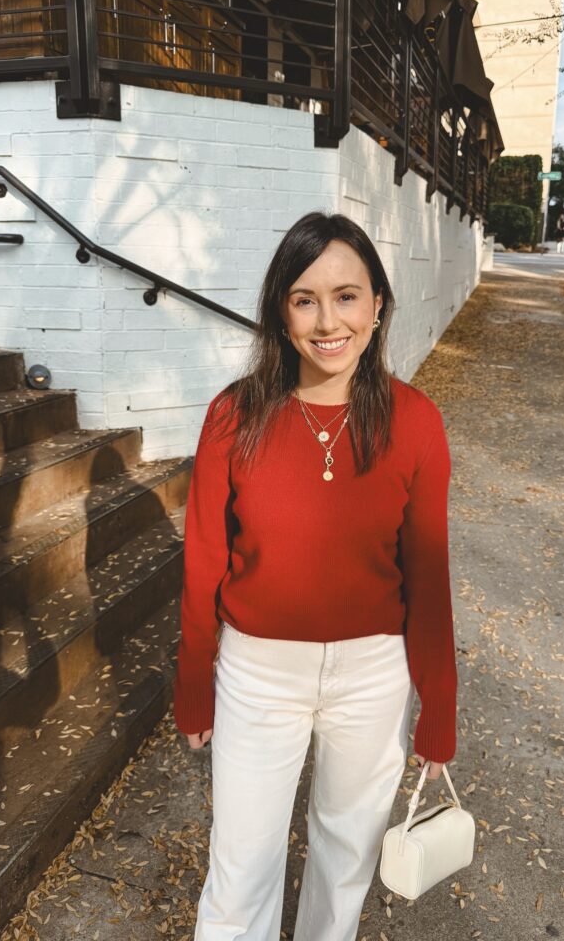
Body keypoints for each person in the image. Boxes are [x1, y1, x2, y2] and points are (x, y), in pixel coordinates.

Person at [173, 211, 458, 941]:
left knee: (344, 862)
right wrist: (194, 682)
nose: (327, 320)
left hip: (373, 675)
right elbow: (204, 555)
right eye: (304, 298)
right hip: (257, 671)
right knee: (239, 866)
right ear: (280, 311)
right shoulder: (233, 418)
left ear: (378, 305)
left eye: (346, 296)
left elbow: (427, 572)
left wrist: (439, 704)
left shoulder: (415, 422)